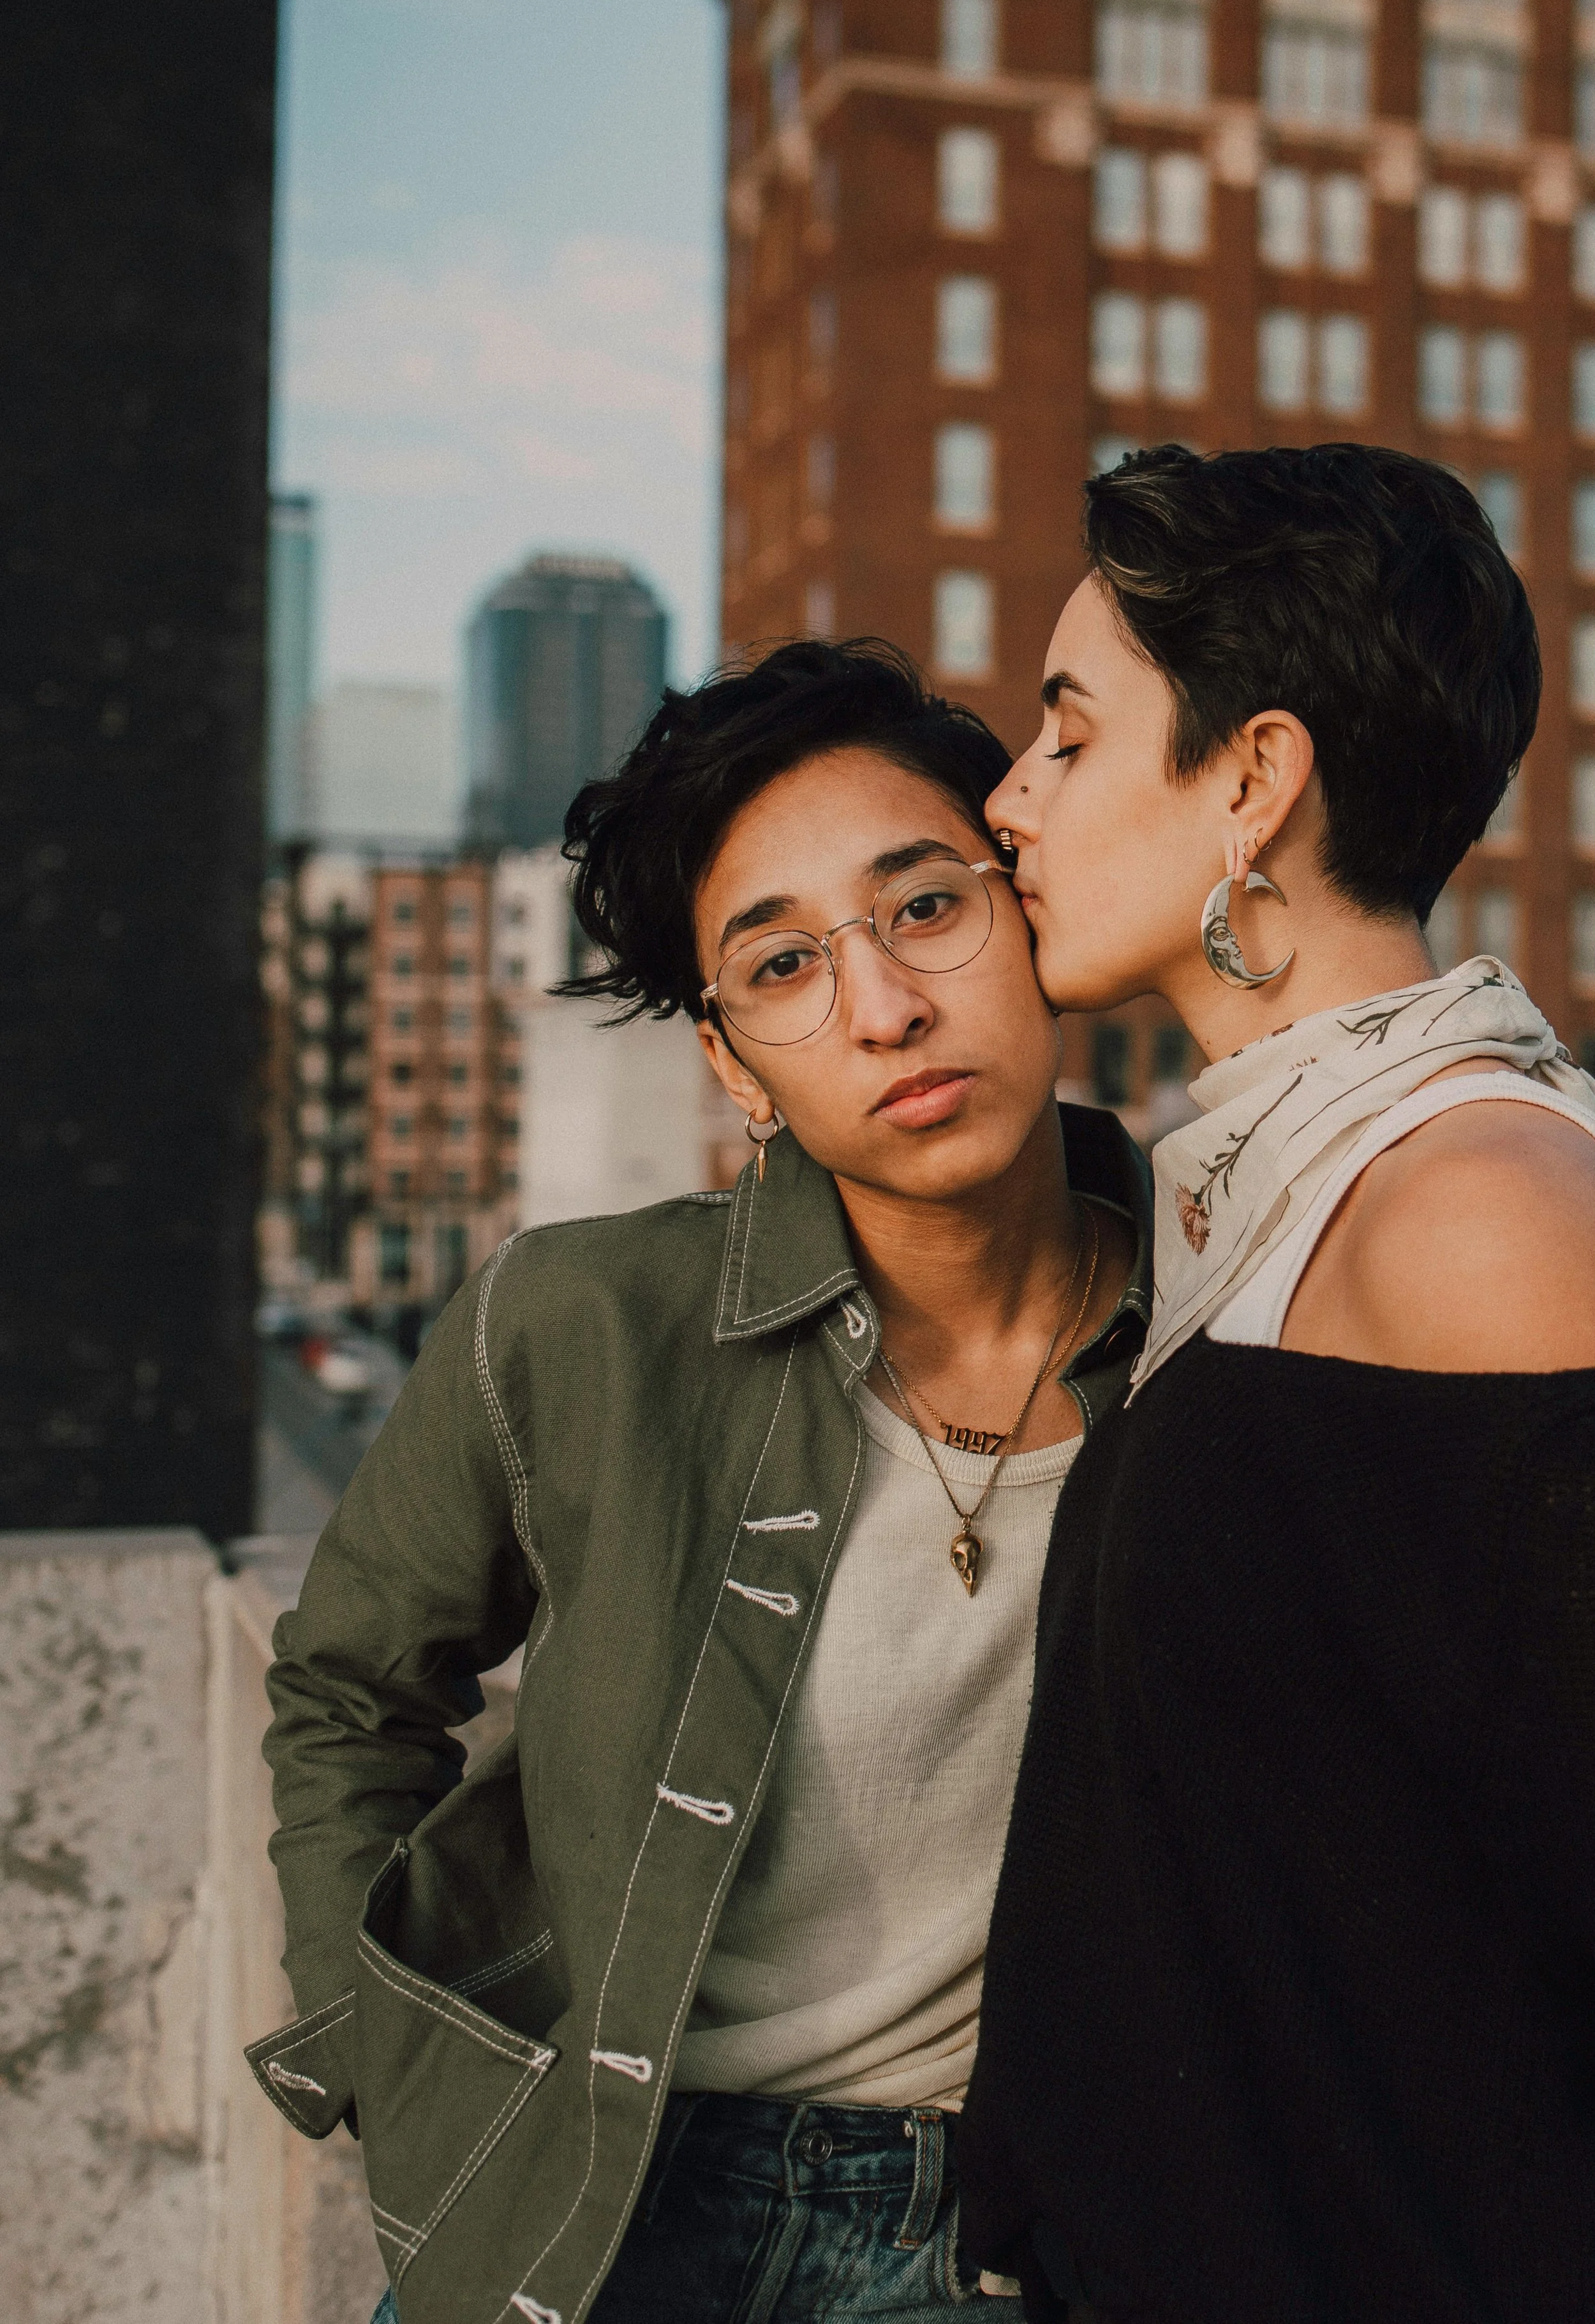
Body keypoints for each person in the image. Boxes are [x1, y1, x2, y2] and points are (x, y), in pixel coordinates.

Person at [246, 638, 1152, 2324]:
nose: (881, 1004)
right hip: (593, 2195)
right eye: (784, 964)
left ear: (1024, 910)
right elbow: (347, 1685)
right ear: (735, 1069)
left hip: (1003, 2229)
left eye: (925, 909)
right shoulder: (582, 1320)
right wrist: (379, 2048)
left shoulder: (1232, 1323)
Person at [957, 443, 1595, 2324]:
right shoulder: (1277, 1192)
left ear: (1248, 778)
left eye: (1067, 735)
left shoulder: (1480, 1207)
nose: (1009, 798)